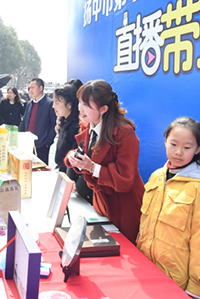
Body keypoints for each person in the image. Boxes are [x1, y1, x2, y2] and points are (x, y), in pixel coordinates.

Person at [136, 117, 200, 299]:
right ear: (165, 142)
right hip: (150, 274)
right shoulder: (158, 177)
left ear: (197, 149)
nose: (178, 152)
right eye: (173, 144)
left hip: (179, 286)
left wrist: (196, 290)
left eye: (187, 147)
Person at [65, 79, 144, 243]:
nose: (80, 108)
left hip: (124, 207)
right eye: (80, 102)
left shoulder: (125, 133)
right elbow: (85, 154)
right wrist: (73, 157)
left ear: (104, 109)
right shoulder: (89, 124)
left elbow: (125, 179)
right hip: (101, 204)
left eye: (86, 104)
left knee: (125, 253)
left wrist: (92, 167)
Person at [52, 81, 93, 204]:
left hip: (73, 183)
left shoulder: (77, 128)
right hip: (63, 174)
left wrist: (70, 181)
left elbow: (75, 158)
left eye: (57, 103)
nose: (53, 106)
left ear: (69, 105)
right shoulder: (64, 122)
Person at [19, 78, 56, 165]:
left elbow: (54, 124)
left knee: (41, 169)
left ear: (41, 88)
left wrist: (48, 142)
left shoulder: (49, 104)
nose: (30, 90)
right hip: (27, 143)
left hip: (42, 144)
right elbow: (24, 122)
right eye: (29, 88)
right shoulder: (29, 104)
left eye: (32, 87)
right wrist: (19, 136)